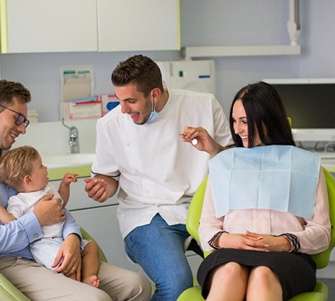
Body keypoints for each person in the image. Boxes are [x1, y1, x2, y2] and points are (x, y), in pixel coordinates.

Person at [0, 79, 151, 301]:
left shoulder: (16, 161)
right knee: (96, 299)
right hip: (9, 263)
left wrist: (72, 238)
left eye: (24, 121)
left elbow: (52, 204)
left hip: (53, 246)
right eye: (17, 119)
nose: (21, 129)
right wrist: (35, 222)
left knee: (137, 285)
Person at [84, 54, 233, 300]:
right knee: (177, 284)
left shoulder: (203, 105)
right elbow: (108, 176)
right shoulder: (111, 124)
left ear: (154, 93)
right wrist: (104, 186)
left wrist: (212, 148)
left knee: (237, 270)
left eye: (130, 101)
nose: (123, 110)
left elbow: (233, 162)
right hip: (147, 214)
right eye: (119, 100)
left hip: (204, 209)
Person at [197, 81, 331, 301]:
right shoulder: (224, 164)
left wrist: (283, 242)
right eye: (234, 121)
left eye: (244, 122)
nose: (237, 130)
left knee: (262, 275)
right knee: (230, 272)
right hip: (230, 253)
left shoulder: (305, 165)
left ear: (268, 119)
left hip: (286, 257)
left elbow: (322, 232)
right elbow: (207, 227)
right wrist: (230, 240)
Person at [0, 145, 100, 287]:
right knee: (64, 265)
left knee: (91, 247)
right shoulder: (19, 201)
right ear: (28, 180)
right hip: (44, 243)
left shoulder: (48, 188)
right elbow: (11, 222)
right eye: (41, 166)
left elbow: (61, 203)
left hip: (63, 237)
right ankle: (79, 288)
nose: (45, 168)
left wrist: (64, 185)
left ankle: (88, 278)